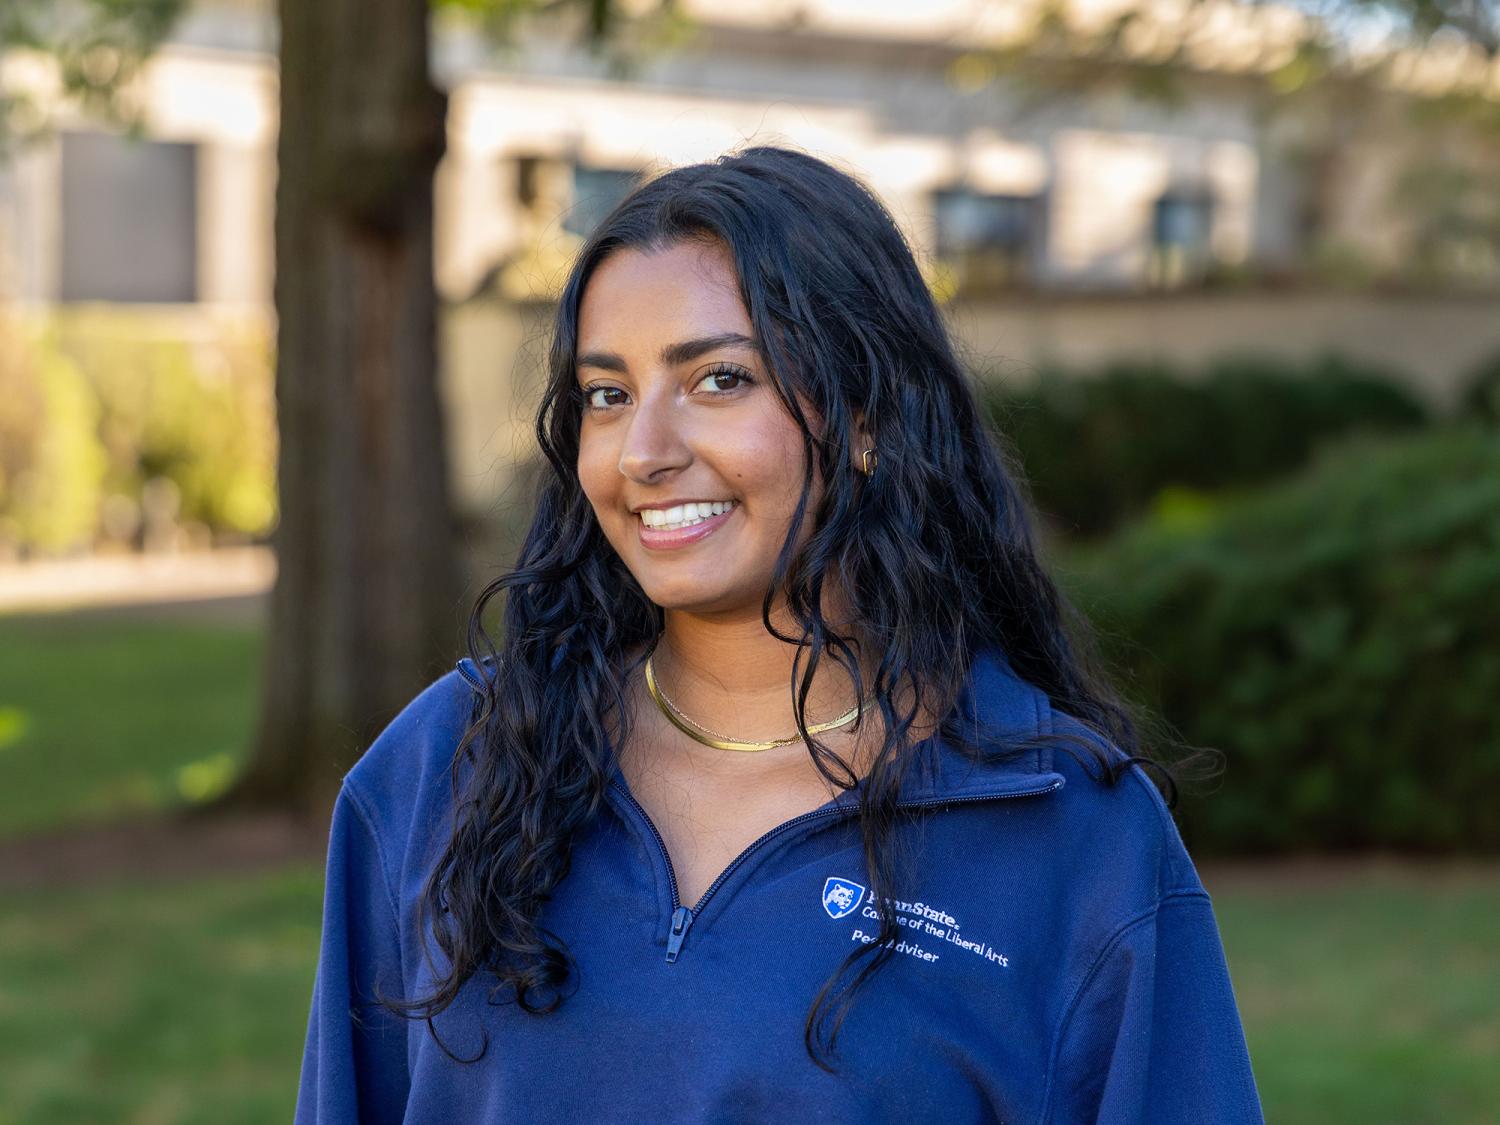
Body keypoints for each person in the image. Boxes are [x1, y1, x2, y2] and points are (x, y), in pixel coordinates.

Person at [294, 146, 1264, 1124]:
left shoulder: (1071, 836)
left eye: (718, 379)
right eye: (607, 394)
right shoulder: (438, 773)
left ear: (865, 417)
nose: (645, 452)